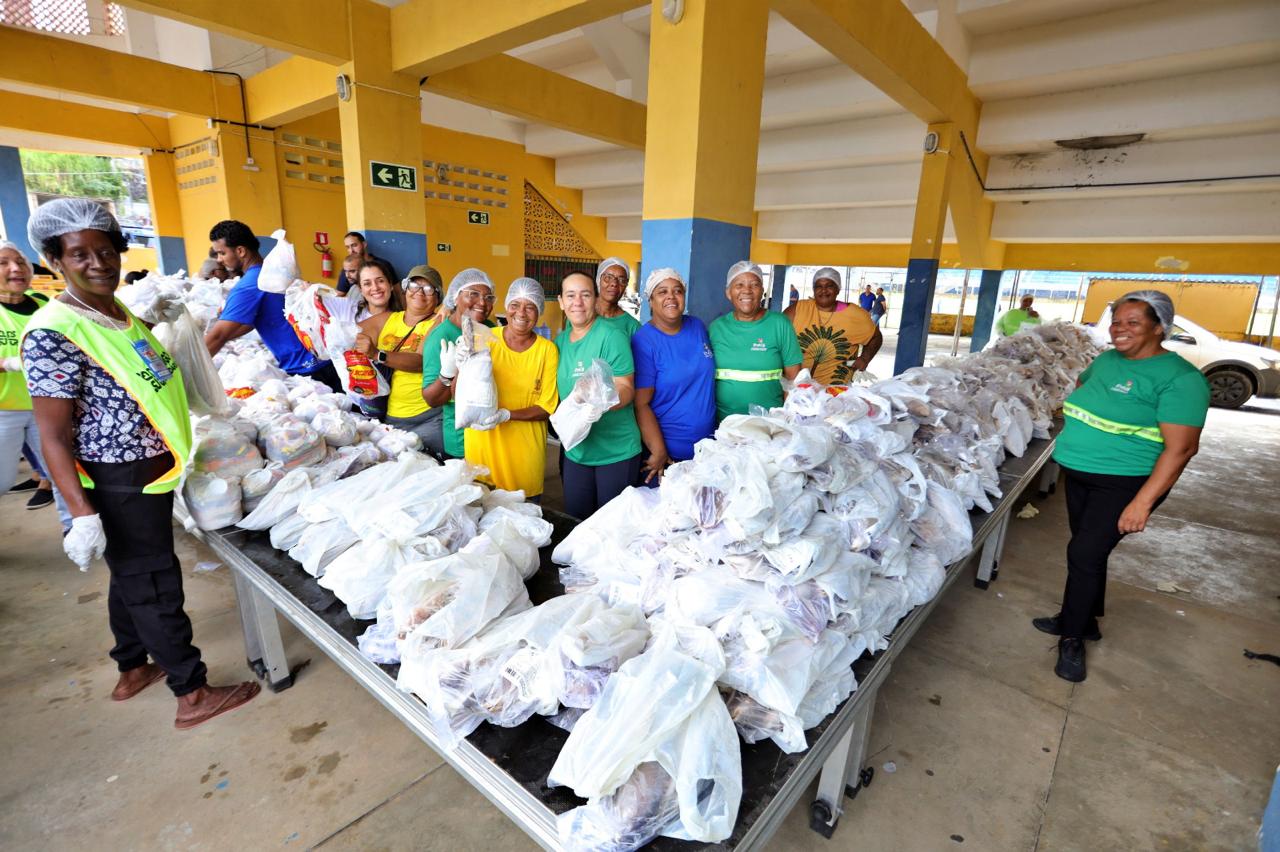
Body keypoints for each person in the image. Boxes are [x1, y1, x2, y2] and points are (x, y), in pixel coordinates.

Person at [20, 198, 259, 727]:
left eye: (106, 251)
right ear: (56, 260)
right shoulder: (54, 330)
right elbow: (53, 433)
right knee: (153, 582)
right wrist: (81, 512)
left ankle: (132, 667)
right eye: (80, 254)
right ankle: (191, 694)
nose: (99, 263)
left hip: (149, 469)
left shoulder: (114, 312)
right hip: (120, 478)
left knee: (129, 575)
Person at [1034, 290, 1209, 683]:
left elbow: (1182, 450)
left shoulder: (1181, 379)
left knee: (1083, 554)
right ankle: (1084, 620)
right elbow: (1083, 385)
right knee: (1087, 553)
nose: (1120, 330)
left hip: (1124, 484)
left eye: (1133, 322)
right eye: (1116, 322)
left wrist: (1142, 504)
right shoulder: (1108, 361)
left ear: (1159, 327)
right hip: (1080, 474)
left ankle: (1072, 638)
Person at [203, 220, 342, 392]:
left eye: (221, 253)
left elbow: (217, 337)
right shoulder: (273, 273)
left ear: (240, 251)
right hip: (325, 358)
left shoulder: (250, 285)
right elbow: (249, 321)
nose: (219, 260)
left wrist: (186, 371)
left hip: (309, 369)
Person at [556, 271, 641, 519]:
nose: (577, 302)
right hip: (576, 451)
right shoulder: (559, 343)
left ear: (595, 299)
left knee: (612, 529)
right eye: (570, 296)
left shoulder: (611, 336)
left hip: (615, 452)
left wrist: (602, 402)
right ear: (561, 302)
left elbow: (626, 387)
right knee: (577, 523)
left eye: (585, 295)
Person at [464, 278, 560, 499]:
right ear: (506, 307)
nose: (522, 313)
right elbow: (460, 395)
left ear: (540, 311)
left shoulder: (547, 351)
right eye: (515, 305)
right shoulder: (483, 338)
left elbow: (546, 407)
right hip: (482, 451)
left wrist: (507, 415)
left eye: (530, 306)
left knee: (523, 525)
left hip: (524, 455)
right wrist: (456, 368)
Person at [632, 268, 716, 484]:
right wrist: (659, 451)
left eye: (677, 290)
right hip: (668, 458)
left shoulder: (696, 326)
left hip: (707, 453)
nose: (671, 296)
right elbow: (641, 404)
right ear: (650, 301)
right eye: (662, 292)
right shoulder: (645, 341)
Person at [0, 240, 59, 511]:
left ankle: (74, 531)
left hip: (46, 405)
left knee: (62, 472)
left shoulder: (45, 304)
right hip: (3, 411)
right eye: (3, 263)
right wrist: (10, 363)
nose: (16, 268)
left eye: (21, 262)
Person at [354, 262, 440, 442]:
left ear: (438, 296)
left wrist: (378, 354)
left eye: (428, 288)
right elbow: (346, 334)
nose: (419, 291)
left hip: (428, 417)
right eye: (414, 285)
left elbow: (420, 361)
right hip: (391, 417)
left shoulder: (438, 323)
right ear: (405, 289)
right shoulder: (387, 319)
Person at [708, 261, 803, 421]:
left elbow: (794, 378)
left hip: (770, 424)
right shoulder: (716, 328)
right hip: (725, 424)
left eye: (754, 285)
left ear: (762, 291)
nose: (747, 290)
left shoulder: (780, 324)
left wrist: (785, 420)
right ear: (728, 292)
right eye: (739, 285)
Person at [421, 268, 499, 460]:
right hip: (462, 440)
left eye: (488, 297)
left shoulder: (491, 329)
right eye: (473, 294)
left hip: (494, 433)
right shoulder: (441, 337)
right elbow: (432, 400)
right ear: (455, 298)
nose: (482, 302)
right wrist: (447, 374)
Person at [785, 267, 882, 385]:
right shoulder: (798, 310)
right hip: (797, 389)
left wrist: (865, 358)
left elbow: (876, 337)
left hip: (836, 392)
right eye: (819, 286)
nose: (823, 290)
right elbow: (775, 338)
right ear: (814, 289)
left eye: (829, 286)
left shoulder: (855, 315)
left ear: (838, 289)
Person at [594, 256, 640, 338]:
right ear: (598, 280)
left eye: (621, 280)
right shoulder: (581, 314)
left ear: (626, 285)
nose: (614, 284)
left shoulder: (633, 326)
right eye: (608, 278)